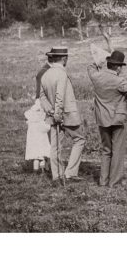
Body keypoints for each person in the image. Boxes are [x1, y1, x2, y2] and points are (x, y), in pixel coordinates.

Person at [87, 35, 127, 187]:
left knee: (106, 150)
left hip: (102, 119)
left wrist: (99, 59)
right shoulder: (119, 81)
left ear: (109, 64)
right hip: (118, 119)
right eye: (121, 66)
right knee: (117, 150)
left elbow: (90, 68)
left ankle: (103, 181)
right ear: (118, 67)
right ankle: (114, 182)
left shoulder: (97, 77)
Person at [38, 46, 86, 183]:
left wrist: (50, 111)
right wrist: (57, 114)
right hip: (66, 115)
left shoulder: (45, 74)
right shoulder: (61, 74)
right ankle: (70, 173)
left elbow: (42, 97)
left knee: (55, 146)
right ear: (64, 59)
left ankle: (57, 175)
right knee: (79, 140)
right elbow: (60, 96)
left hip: (53, 115)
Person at [24, 99, 51, 173]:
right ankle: (43, 171)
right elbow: (47, 128)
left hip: (33, 146)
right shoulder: (41, 123)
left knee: (35, 159)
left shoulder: (31, 123)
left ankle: (35, 172)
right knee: (42, 158)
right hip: (41, 145)